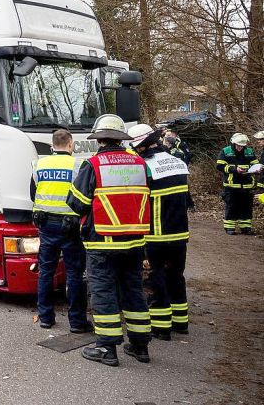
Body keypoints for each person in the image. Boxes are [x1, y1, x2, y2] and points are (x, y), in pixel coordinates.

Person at [67, 114, 152, 367]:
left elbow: (77, 203)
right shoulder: (139, 163)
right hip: (135, 241)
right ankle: (140, 346)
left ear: (99, 139)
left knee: (103, 292)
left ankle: (106, 348)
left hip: (102, 242)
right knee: (133, 291)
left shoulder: (93, 165)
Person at [129, 124, 192, 340]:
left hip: (156, 234)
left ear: (141, 147)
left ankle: (161, 327)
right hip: (180, 234)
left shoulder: (144, 167)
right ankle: (181, 322)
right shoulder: (178, 162)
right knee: (177, 276)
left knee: (157, 278)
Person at [30, 129, 91, 333]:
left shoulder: (39, 164)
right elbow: (84, 197)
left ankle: (46, 318)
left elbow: (33, 192)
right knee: (74, 273)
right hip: (70, 227)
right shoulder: (78, 165)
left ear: (52, 145)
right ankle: (77, 322)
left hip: (45, 225)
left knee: (46, 271)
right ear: (70, 145)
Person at [216, 133, 258, 235]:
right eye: (238, 146)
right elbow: (220, 166)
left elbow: (255, 164)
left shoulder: (250, 151)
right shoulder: (225, 151)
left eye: (242, 146)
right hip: (232, 185)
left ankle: (245, 227)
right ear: (233, 143)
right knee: (231, 206)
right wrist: (235, 169)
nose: (240, 148)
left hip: (247, 184)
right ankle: (229, 227)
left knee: (246, 207)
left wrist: (257, 169)